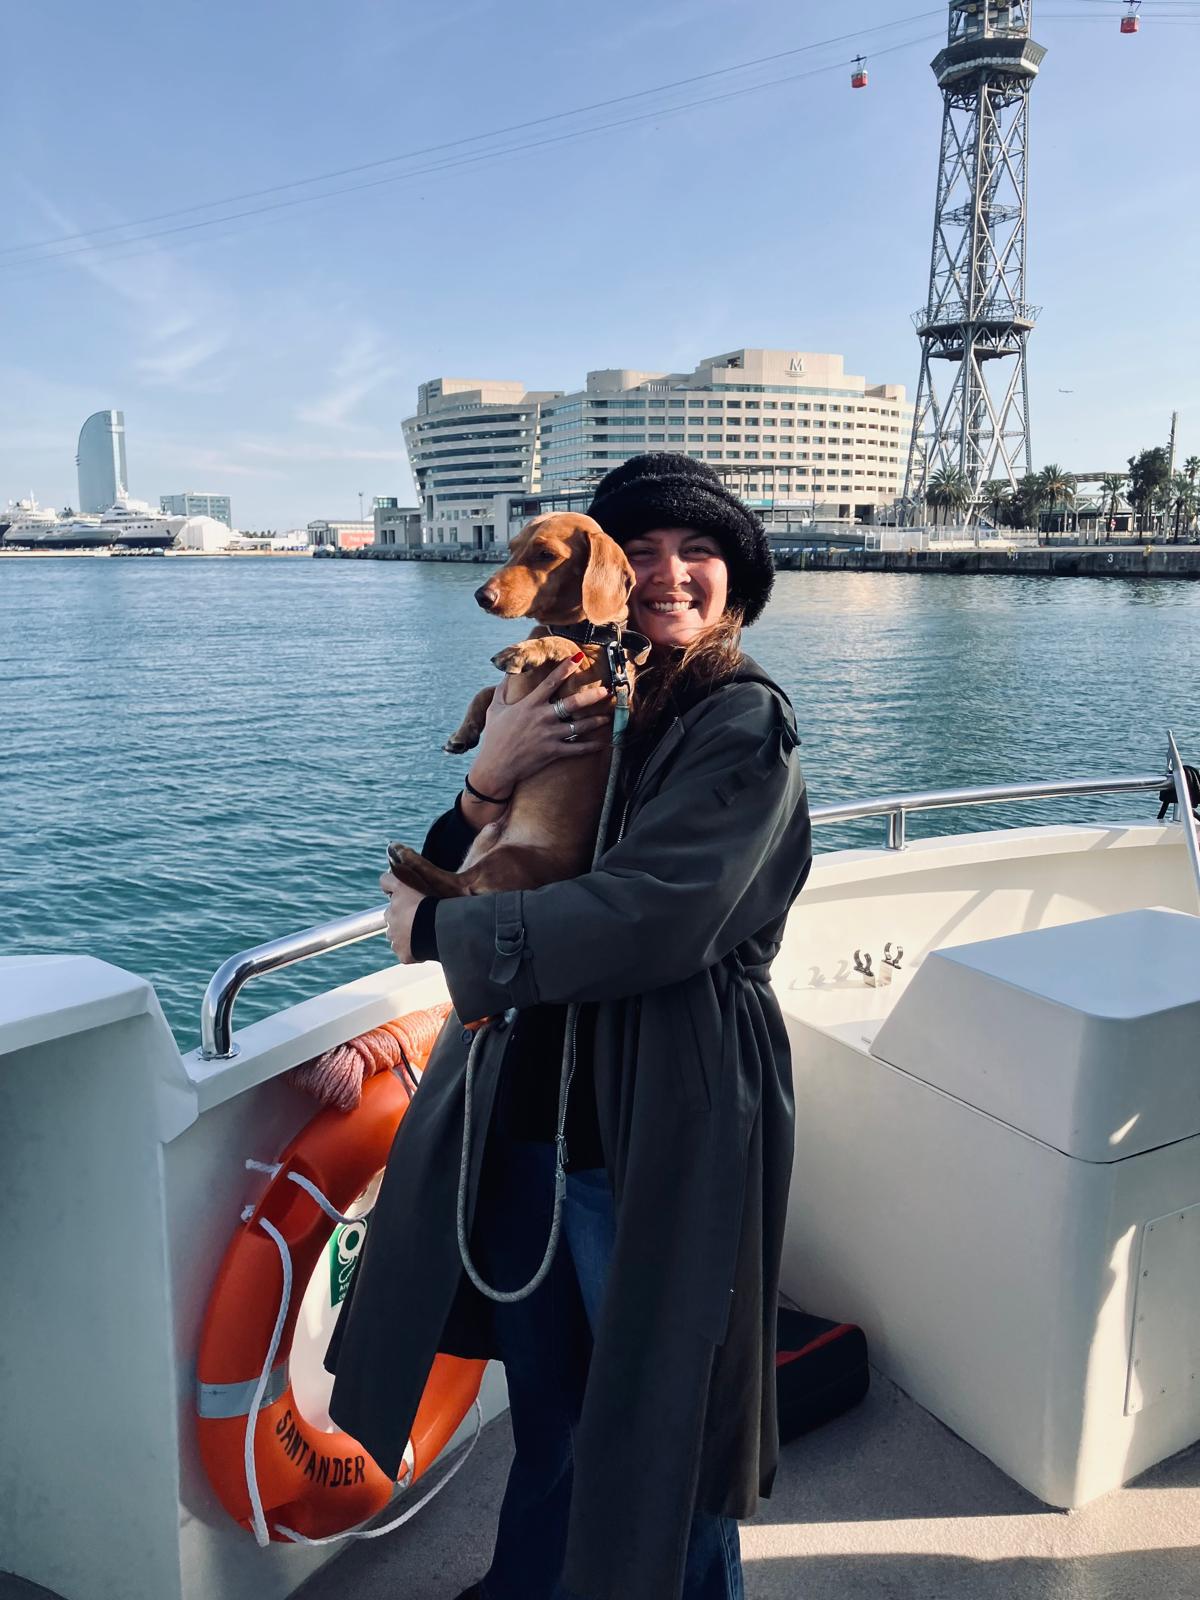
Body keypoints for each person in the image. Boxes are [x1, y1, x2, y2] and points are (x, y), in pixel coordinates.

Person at [321, 453, 813, 1600]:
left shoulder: (742, 727)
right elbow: (469, 862)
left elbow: (658, 912)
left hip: (654, 1119)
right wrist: (489, 778)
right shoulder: (582, 700)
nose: (668, 573)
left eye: (700, 554)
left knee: (660, 1435)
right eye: (640, 550)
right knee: (547, 1410)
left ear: (734, 587)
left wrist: (446, 944)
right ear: (600, 574)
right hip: (527, 1114)